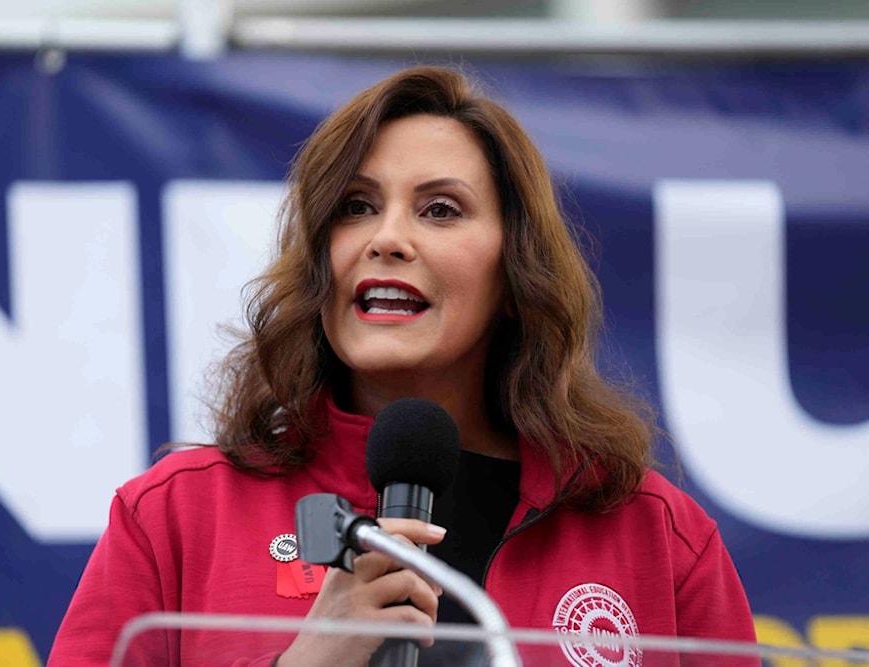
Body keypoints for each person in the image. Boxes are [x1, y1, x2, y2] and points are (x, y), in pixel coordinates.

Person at [48, 65, 757, 666]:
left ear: (515, 276)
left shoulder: (656, 538)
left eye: (440, 210)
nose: (387, 238)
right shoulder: (174, 517)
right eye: (356, 206)